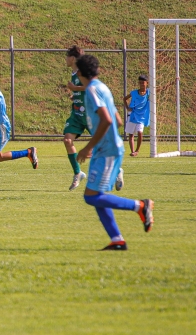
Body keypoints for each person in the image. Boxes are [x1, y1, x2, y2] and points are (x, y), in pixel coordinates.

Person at [74, 54, 153, 250]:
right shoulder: (102, 87)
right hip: (107, 148)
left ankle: (140, 206)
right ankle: (117, 240)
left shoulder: (92, 90)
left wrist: (88, 147)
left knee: (91, 196)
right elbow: (118, 120)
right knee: (96, 195)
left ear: (80, 72)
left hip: (107, 150)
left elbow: (108, 120)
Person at [61, 45, 89, 191]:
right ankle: (78, 173)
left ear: (72, 58)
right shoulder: (74, 73)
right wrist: (76, 95)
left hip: (90, 113)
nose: (65, 59)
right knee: (67, 140)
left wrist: (76, 89)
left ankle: (115, 171)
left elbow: (91, 86)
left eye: (67, 57)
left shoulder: (82, 71)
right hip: (77, 114)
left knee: (101, 146)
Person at [124, 74, 151, 156]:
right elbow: (125, 98)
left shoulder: (149, 92)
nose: (141, 84)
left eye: (143, 82)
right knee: (131, 134)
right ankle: (132, 151)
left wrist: (172, 82)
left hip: (142, 116)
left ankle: (137, 150)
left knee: (140, 132)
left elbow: (160, 89)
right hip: (132, 114)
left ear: (147, 83)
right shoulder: (134, 93)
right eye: (140, 82)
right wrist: (127, 108)